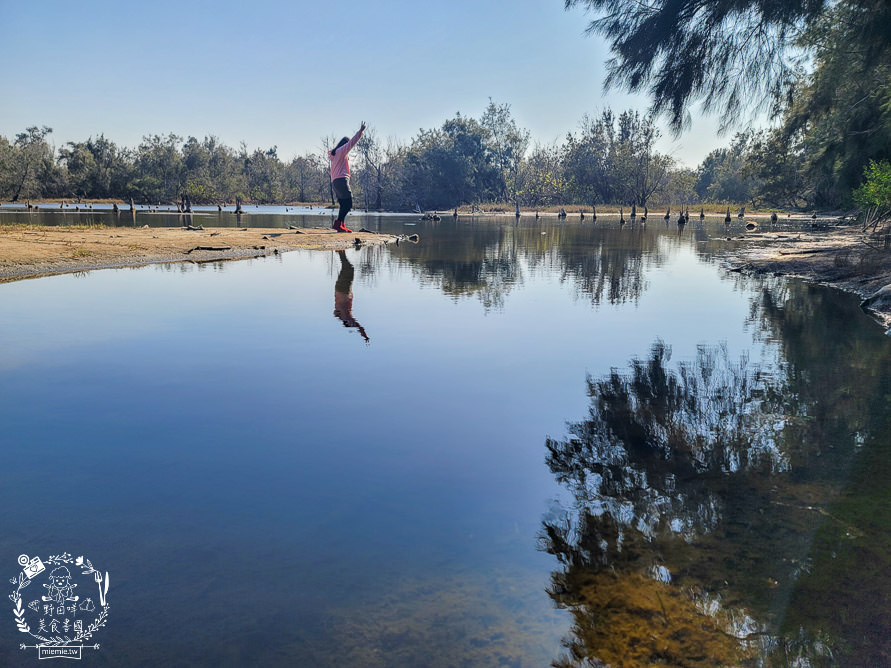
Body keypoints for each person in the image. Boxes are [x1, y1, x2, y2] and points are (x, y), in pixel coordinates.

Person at [329, 121, 366, 233]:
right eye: (347, 144)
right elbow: (352, 143)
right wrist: (360, 132)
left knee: (343, 204)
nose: (348, 147)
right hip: (341, 180)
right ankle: (337, 224)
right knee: (349, 203)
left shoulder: (335, 155)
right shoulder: (341, 151)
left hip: (336, 182)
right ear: (344, 144)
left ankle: (341, 225)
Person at [333, 250, 369, 342]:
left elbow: (358, 326)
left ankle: (341, 252)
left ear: (348, 323)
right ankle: (341, 252)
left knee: (349, 269)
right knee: (347, 268)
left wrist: (365, 336)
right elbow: (335, 314)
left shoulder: (347, 316)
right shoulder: (342, 316)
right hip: (339, 289)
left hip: (343, 290)